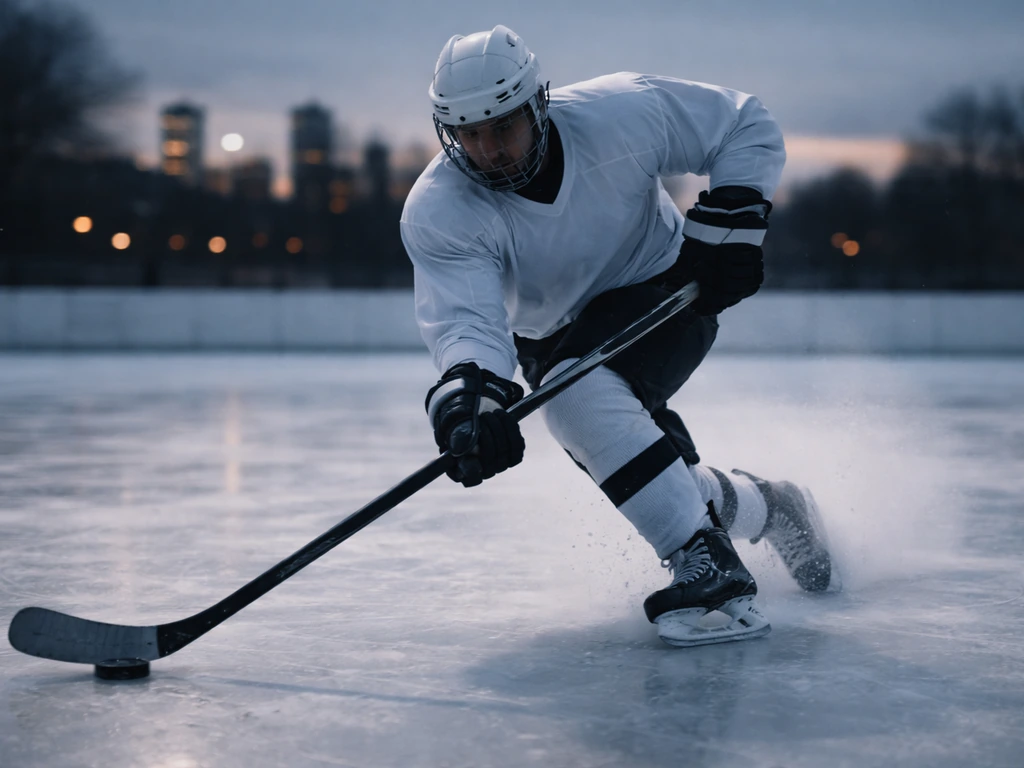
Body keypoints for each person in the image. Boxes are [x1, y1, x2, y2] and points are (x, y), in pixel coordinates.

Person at [401, 25, 840, 647]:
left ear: (537, 105)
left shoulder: (621, 111)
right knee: (654, 476)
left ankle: (708, 567)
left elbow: (743, 123)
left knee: (575, 395)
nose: (488, 150)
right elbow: (468, 321)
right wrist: (474, 398)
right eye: (469, 135)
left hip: (663, 287)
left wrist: (733, 221)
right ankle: (773, 507)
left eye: (502, 126)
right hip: (548, 336)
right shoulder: (439, 209)